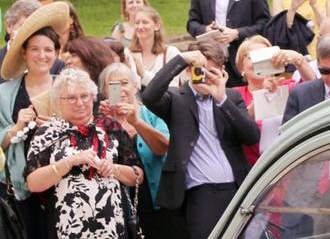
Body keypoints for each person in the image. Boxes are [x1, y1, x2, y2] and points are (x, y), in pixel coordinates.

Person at [141, 40, 260, 239]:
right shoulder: (176, 98)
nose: (205, 77)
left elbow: (251, 136)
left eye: (211, 72)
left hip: (237, 189)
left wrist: (221, 99)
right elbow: (150, 96)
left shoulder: (230, 97)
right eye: (200, 71)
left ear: (222, 72)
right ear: (189, 71)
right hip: (201, 193)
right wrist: (181, 60)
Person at [24, 68, 143, 239]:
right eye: (71, 97)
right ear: (58, 101)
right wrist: (69, 162)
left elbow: (138, 176)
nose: (79, 102)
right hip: (66, 228)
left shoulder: (109, 127)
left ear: (93, 97)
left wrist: (114, 169)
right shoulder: (46, 132)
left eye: (84, 96)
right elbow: (33, 184)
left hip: (112, 227)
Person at [0, 1, 71, 237]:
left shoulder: (69, 87)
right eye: (35, 49)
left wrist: (57, 126)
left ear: (56, 52)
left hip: (65, 182)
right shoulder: (4, 93)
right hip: (20, 188)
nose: (42, 55)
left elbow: (88, 129)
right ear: (24, 52)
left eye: (48, 49)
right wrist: (15, 128)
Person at [98, 62, 174, 239]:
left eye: (125, 83)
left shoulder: (150, 114)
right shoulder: (99, 121)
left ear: (135, 85)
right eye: (113, 85)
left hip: (156, 198)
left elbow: (163, 148)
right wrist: (107, 121)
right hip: (119, 201)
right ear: (104, 91)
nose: (121, 90)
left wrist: (136, 123)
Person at [233, 35, 315, 165]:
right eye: (252, 57)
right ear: (241, 67)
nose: (257, 62)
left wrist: (298, 60)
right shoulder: (235, 95)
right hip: (252, 169)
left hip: (288, 165)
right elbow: (236, 127)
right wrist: (261, 97)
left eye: (263, 56)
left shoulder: (287, 87)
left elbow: (313, 88)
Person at [127, 7, 182, 89]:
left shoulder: (170, 53)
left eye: (145, 22)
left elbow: (174, 87)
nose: (140, 26)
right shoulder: (128, 54)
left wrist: (144, 75)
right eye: (137, 23)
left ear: (157, 26)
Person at [0, 0, 41, 75]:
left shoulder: (53, 65)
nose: (29, 33)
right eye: (23, 27)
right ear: (9, 26)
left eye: (35, 28)